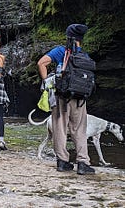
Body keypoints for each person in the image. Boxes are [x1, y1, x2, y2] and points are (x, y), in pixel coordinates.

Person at [37, 23, 95, 175]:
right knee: (79, 129)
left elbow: (41, 63)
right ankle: (83, 163)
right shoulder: (85, 56)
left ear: (68, 36)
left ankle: (62, 161)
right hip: (80, 98)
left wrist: (47, 81)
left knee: (60, 127)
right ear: (80, 39)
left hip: (61, 95)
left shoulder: (60, 51)